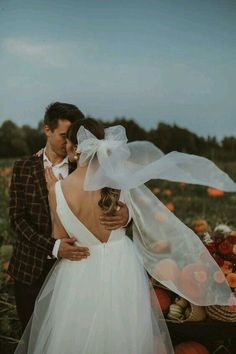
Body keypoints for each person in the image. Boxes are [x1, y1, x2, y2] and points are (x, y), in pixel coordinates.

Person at [15, 118, 236, 354]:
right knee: (125, 330)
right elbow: (134, 218)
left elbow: (60, 236)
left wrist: (53, 193)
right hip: (122, 265)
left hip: (79, 268)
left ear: (73, 147)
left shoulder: (57, 190)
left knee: (77, 331)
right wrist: (128, 215)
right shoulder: (120, 183)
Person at [8, 103, 129, 332]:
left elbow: (112, 205)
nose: (69, 143)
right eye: (64, 135)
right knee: (33, 336)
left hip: (79, 274)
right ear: (47, 130)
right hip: (31, 269)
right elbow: (17, 219)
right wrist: (54, 247)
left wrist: (126, 215)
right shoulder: (23, 167)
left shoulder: (88, 168)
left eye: (73, 137)